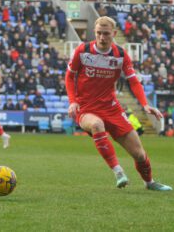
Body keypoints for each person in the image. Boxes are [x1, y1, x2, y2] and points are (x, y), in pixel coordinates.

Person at [65, 16, 172, 191]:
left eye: (106, 34)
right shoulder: (82, 51)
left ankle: (150, 182)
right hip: (86, 108)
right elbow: (69, 76)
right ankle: (118, 171)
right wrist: (72, 102)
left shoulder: (120, 55)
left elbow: (134, 81)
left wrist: (145, 105)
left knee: (139, 154)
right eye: (99, 33)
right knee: (97, 124)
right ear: (95, 32)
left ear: (114, 33)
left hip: (111, 109)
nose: (102, 37)